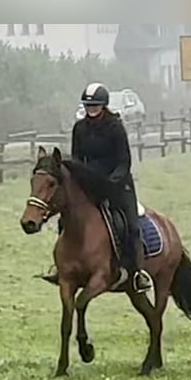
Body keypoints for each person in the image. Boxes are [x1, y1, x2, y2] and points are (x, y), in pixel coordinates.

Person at [42, 82, 152, 294]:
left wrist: (113, 181)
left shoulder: (115, 127)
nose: (92, 110)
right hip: (89, 185)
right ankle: (62, 267)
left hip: (118, 185)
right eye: (89, 106)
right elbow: (76, 159)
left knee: (131, 225)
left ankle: (137, 273)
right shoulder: (80, 128)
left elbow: (124, 160)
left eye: (96, 106)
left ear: (104, 106)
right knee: (66, 220)